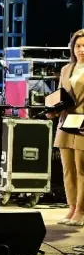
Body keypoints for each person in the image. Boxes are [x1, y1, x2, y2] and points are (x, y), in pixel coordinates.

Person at [54, 29, 84, 226]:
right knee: (68, 169)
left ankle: (81, 210)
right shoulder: (66, 69)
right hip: (66, 122)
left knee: (82, 169)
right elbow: (60, 94)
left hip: (83, 123)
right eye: (78, 46)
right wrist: (52, 109)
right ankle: (71, 207)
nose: (81, 50)